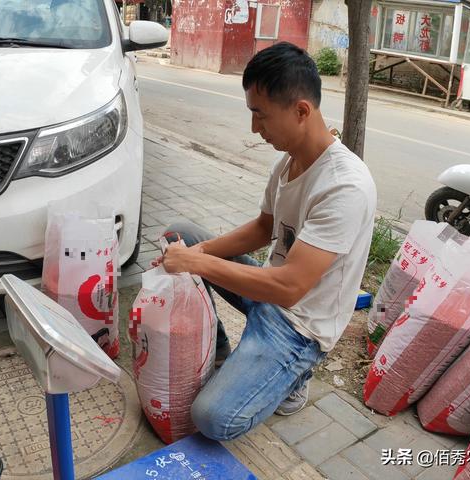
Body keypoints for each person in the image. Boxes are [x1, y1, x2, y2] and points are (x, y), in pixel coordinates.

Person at [157, 42, 377, 441]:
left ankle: (294, 376)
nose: (254, 129)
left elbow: (291, 288)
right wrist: (197, 250)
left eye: (260, 116)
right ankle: (220, 350)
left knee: (212, 419)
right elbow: (263, 227)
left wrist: (196, 263)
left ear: (301, 111)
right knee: (179, 234)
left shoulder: (345, 185)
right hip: (270, 290)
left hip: (298, 326)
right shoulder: (290, 160)